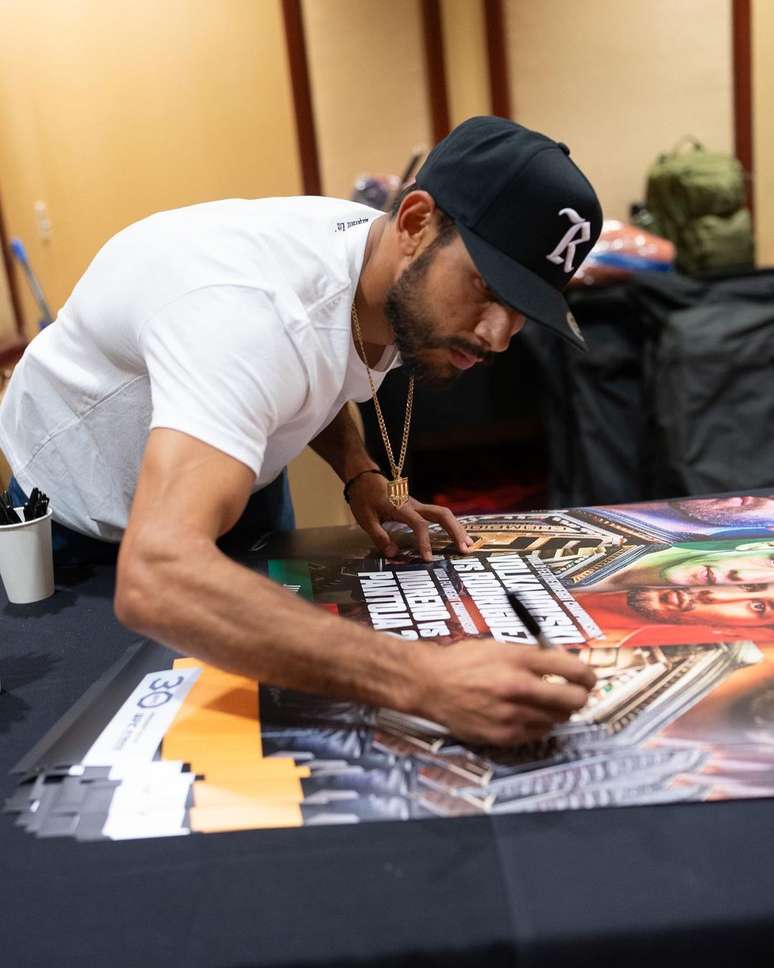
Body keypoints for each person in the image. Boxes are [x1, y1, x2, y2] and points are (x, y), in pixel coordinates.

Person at [0, 116, 601, 745]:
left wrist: (359, 472)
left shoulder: (374, 264)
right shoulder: (248, 314)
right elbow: (158, 578)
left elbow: (316, 365)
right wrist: (425, 679)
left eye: (524, 310)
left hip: (238, 489)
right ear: (417, 224)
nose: (498, 336)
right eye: (486, 287)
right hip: (84, 531)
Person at [590, 539, 774, 590]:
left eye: (754, 586)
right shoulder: (617, 536)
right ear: (759, 545)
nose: (742, 576)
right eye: (770, 562)